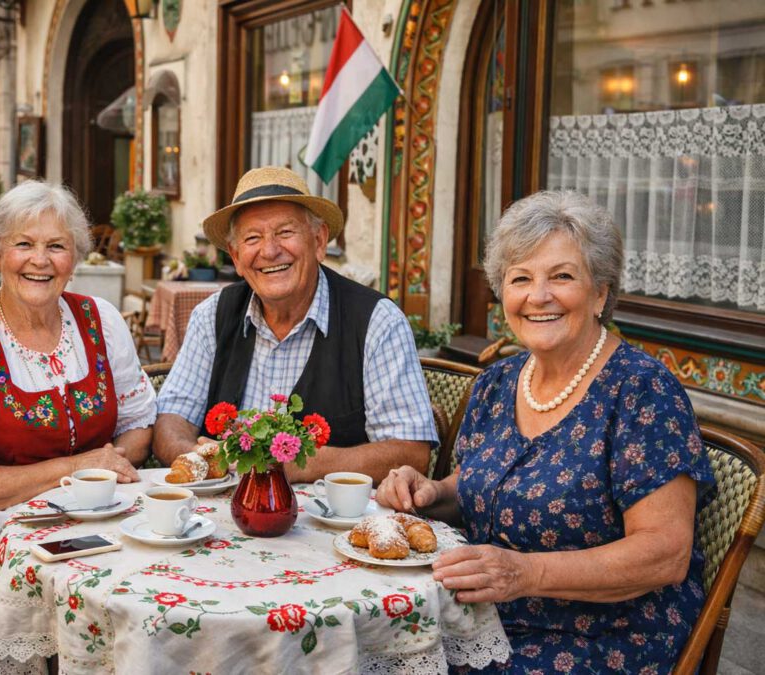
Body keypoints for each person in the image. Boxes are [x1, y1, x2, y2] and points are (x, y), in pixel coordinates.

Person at [376, 190, 715, 673]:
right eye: (520, 279)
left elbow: (664, 553)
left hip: (601, 634)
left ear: (600, 292)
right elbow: (478, 485)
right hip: (483, 615)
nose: (538, 296)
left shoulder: (642, 392)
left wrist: (525, 573)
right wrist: (431, 492)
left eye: (561, 276)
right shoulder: (497, 383)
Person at [0, 180, 155, 598]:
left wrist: (105, 471)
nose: (40, 261)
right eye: (23, 244)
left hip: (104, 517)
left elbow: (139, 425)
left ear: (74, 258)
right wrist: (75, 469)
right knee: (94, 593)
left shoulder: (102, 320)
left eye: (57, 246)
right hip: (10, 533)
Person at [154, 166, 438, 482]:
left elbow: (411, 452)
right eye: (252, 238)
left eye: (285, 232)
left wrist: (300, 464)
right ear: (236, 257)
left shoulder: (377, 321)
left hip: (334, 523)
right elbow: (171, 419)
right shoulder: (212, 316)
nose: (270, 250)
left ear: (318, 241)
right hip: (220, 514)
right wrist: (197, 456)